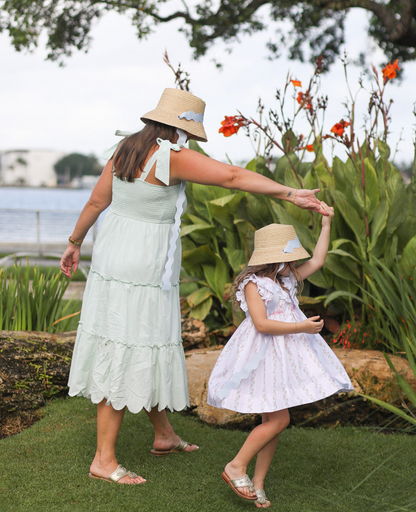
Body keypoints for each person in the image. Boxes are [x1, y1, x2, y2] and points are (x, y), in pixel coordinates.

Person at [60, 88, 330, 485]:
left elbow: (96, 203)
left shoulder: (126, 149)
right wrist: (290, 193)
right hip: (143, 266)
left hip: (113, 257)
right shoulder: (169, 156)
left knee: (143, 341)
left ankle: (164, 435)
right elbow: (233, 177)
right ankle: (104, 459)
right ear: (179, 128)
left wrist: (74, 242)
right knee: (125, 347)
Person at [207, 207, 353, 508]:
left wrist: (327, 224)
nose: (297, 261)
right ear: (275, 258)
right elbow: (261, 324)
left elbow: (319, 260)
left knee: (271, 417)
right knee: (279, 419)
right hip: (261, 354)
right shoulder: (253, 284)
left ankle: (258, 483)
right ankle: (236, 466)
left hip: (281, 358)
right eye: (291, 256)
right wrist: (302, 326)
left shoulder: (285, 278)